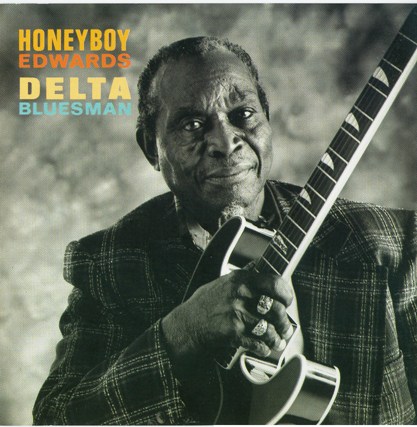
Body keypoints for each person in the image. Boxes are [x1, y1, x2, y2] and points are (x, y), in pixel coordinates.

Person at [33, 36, 417, 425]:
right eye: (192, 124)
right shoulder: (110, 263)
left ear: (267, 121)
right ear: (151, 148)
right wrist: (182, 333)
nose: (225, 141)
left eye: (243, 114)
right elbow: (56, 419)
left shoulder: (388, 242)